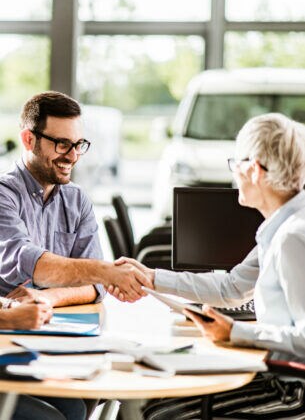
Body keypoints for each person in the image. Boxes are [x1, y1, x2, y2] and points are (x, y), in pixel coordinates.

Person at [113, 113, 305, 419]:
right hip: (274, 373)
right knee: (159, 404)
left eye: (236, 164)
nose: (234, 175)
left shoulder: (292, 237)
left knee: (165, 414)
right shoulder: (283, 226)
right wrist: (151, 277)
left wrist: (236, 332)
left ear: (254, 170)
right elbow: (232, 287)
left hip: (289, 391)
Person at [0, 91, 152, 305]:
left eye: (78, 144)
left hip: (61, 320)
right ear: (28, 139)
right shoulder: (4, 195)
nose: (73, 156)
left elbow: (96, 286)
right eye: (62, 144)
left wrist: (47, 297)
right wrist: (106, 271)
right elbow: (25, 261)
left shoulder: (77, 200)